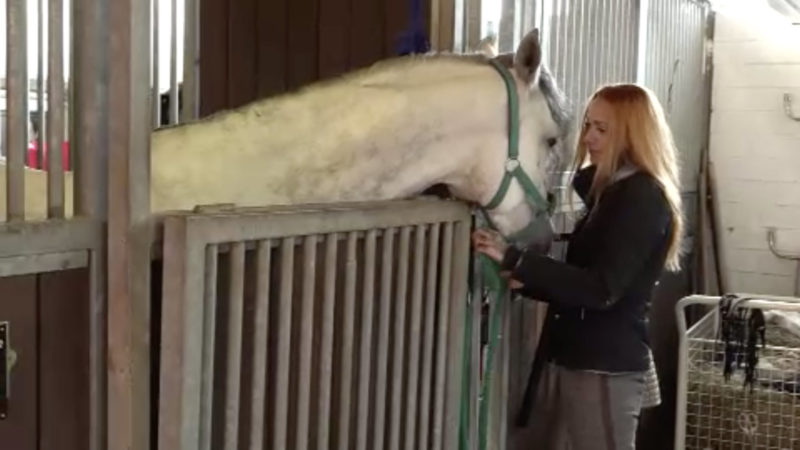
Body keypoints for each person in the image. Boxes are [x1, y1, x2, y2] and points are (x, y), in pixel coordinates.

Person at [473, 83, 683, 450]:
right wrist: (525, 278)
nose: (588, 138)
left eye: (603, 129)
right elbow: (586, 275)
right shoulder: (612, 194)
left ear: (632, 134)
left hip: (603, 364)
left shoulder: (640, 197)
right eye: (588, 125)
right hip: (583, 356)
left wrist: (518, 261)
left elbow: (601, 287)